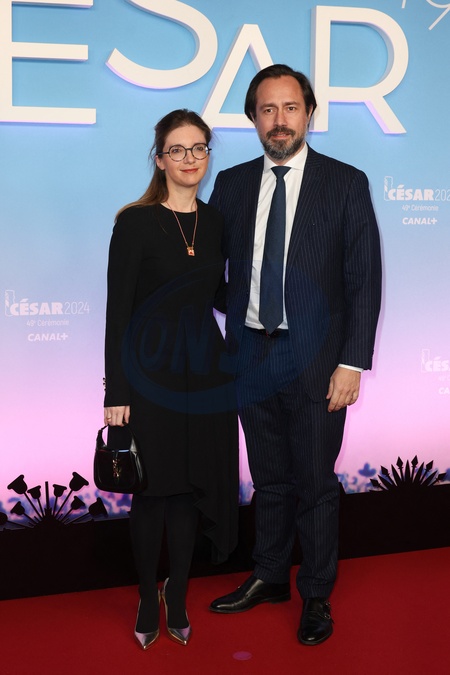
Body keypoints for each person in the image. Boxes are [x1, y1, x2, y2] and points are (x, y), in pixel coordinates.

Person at [208, 65, 382, 645]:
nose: (278, 121)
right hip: (251, 359)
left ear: (308, 113)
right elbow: (212, 271)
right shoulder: (232, 184)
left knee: (314, 483)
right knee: (269, 480)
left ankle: (316, 595)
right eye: (267, 110)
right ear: (253, 119)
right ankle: (268, 576)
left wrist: (352, 362)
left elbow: (363, 279)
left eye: (289, 108)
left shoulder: (345, 183)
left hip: (318, 363)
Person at [103, 109, 239, 650]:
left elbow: (219, 295)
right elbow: (118, 313)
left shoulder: (216, 221)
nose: (189, 158)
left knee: (186, 491)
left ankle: (176, 595)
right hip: (148, 373)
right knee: (152, 493)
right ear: (159, 159)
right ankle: (145, 596)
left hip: (205, 372)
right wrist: (117, 392)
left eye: (199, 148)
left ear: (208, 155)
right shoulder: (134, 222)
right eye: (177, 149)